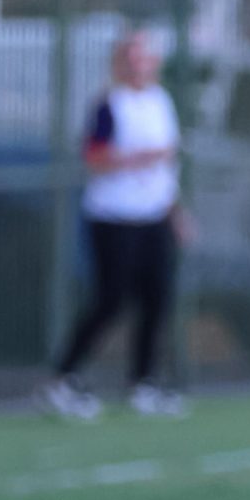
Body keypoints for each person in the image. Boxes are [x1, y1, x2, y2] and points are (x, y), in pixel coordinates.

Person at [41, 29, 190, 419]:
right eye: (132, 58)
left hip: (154, 215)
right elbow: (94, 157)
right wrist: (138, 158)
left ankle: (142, 382)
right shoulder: (110, 104)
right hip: (114, 216)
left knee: (157, 299)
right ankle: (64, 376)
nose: (140, 65)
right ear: (120, 64)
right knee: (110, 300)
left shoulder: (160, 101)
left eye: (145, 58)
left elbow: (168, 165)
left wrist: (177, 213)